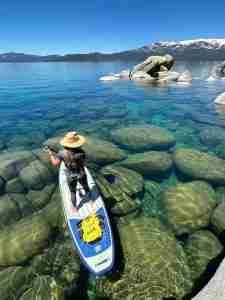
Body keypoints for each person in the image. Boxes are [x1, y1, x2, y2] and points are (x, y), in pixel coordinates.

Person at [47, 131, 91, 212]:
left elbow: (55, 163)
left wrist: (51, 154)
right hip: (81, 173)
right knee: (86, 186)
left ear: (66, 143)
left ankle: (74, 208)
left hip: (71, 176)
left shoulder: (61, 153)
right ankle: (90, 200)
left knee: (73, 192)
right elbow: (82, 162)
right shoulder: (81, 153)